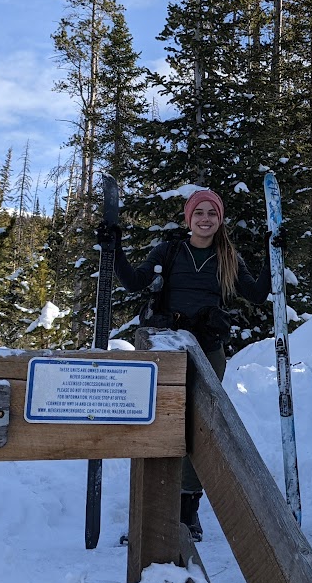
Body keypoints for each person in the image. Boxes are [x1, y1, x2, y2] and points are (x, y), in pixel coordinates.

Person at [110, 187, 277, 541]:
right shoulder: (169, 251)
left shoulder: (228, 257)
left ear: (220, 220)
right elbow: (132, 281)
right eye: (199, 212)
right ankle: (152, 514)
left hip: (208, 351)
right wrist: (114, 249)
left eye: (212, 213)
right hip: (167, 349)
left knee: (197, 429)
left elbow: (257, 293)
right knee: (160, 426)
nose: (205, 219)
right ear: (189, 218)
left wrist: (271, 252)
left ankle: (188, 515)